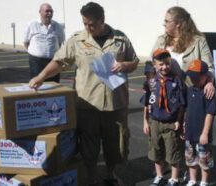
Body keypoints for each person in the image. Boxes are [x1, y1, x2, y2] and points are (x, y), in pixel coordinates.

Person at [29, 2, 139, 186]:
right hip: (87, 105)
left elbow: (134, 61)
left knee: (116, 147)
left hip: (115, 105)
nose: (87, 28)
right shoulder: (77, 40)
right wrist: (41, 76)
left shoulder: (120, 39)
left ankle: (110, 174)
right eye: (84, 23)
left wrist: (126, 65)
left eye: (91, 24)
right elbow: (59, 61)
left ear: (102, 20)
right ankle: (90, 178)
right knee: (89, 148)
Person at [151, 6, 215, 99]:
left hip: (191, 93)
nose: (163, 24)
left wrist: (209, 83)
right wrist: (151, 86)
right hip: (165, 93)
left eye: (167, 21)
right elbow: (150, 64)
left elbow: (209, 67)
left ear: (178, 24)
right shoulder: (161, 40)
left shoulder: (199, 42)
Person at [142, 48, 185, 186]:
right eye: (161, 64)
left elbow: (182, 104)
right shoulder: (151, 82)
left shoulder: (176, 81)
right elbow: (147, 103)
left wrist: (179, 121)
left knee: (173, 152)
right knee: (155, 151)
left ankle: (174, 179)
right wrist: (145, 121)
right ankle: (159, 176)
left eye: (167, 63)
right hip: (154, 122)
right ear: (155, 65)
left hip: (171, 123)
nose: (164, 67)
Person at [184, 59, 216, 186]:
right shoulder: (190, 90)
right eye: (191, 77)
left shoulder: (208, 92)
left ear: (206, 76)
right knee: (191, 159)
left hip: (202, 135)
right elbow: (187, 110)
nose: (194, 80)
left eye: (197, 77)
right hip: (189, 134)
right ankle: (192, 180)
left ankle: (204, 182)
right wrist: (184, 125)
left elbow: (210, 114)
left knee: (204, 160)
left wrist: (205, 133)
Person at [24, 3, 65, 82]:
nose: (49, 13)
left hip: (53, 61)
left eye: (51, 11)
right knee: (37, 83)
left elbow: (60, 42)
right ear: (40, 12)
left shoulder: (58, 26)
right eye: (47, 11)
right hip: (36, 62)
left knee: (54, 84)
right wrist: (34, 53)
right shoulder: (31, 25)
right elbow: (26, 42)